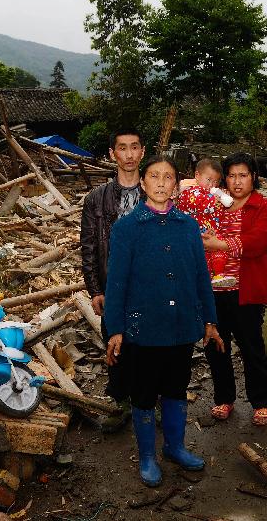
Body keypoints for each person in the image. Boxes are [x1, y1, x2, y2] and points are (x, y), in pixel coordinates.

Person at [103, 155, 224, 487]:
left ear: (176, 185)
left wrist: (209, 319)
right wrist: (115, 329)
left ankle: (175, 447)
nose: (160, 182)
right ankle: (147, 457)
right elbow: (117, 283)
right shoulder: (127, 228)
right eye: (153, 176)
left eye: (167, 177)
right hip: (142, 329)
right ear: (143, 183)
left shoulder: (187, 226)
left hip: (180, 326)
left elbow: (201, 276)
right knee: (143, 395)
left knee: (175, 388)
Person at [201, 152, 267, 426]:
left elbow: (257, 242)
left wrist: (220, 245)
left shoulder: (264, 208)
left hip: (246, 290)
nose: (237, 182)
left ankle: (261, 403)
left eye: (243, 175)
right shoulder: (214, 204)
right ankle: (224, 399)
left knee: (251, 346)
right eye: (232, 175)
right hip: (212, 291)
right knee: (216, 347)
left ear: (254, 178)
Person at [80, 127, 145, 431]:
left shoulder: (154, 193)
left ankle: (148, 401)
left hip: (149, 284)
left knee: (150, 344)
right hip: (113, 284)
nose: (129, 154)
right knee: (115, 344)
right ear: (112, 154)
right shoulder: (97, 198)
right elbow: (90, 245)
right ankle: (120, 403)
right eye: (123, 148)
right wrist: (95, 289)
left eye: (134, 147)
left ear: (142, 152)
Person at [175, 158, 235, 287]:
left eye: (216, 182)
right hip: (192, 235)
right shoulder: (189, 192)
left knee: (217, 251)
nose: (212, 185)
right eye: (209, 180)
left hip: (209, 233)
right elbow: (200, 203)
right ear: (197, 175)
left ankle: (218, 275)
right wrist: (216, 199)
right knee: (199, 258)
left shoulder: (211, 193)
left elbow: (218, 214)